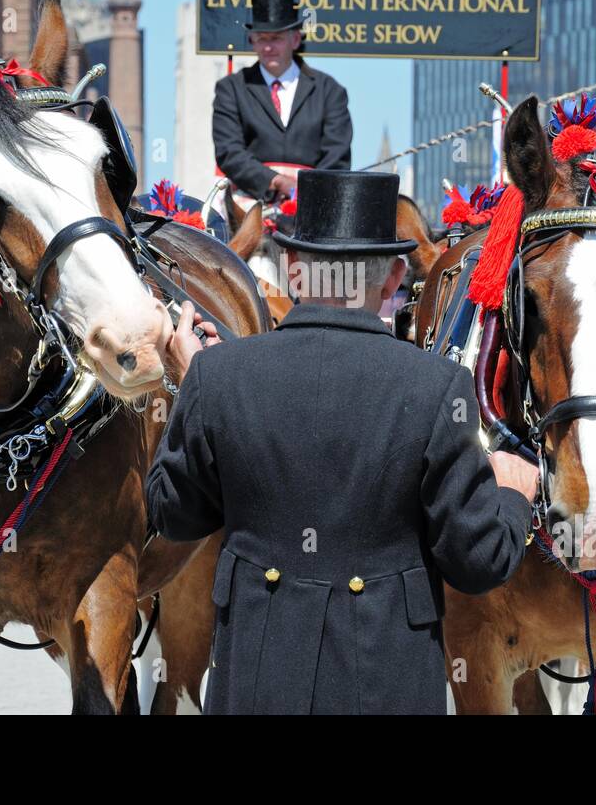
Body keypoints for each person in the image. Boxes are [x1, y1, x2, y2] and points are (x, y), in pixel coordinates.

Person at [145, 170, 539, 714]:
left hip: (256, 688)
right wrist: (514, 497)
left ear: (295, 270)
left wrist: (198, 390)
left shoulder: (218, 377)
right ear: (395, 275)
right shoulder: (436, 387)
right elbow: (476, 561)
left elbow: (173, 514)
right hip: (387, 688)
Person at [211, 0, 353, 212]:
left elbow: (337, 156)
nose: (268, 48)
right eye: (261, 39)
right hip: (247, 200)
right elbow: (229, 152)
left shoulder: (330, 91)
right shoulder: (231, 89)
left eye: (276, 38)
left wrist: (306, 190)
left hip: (314, 202)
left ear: (295, 39)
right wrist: (276, 181)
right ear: (252, 41)